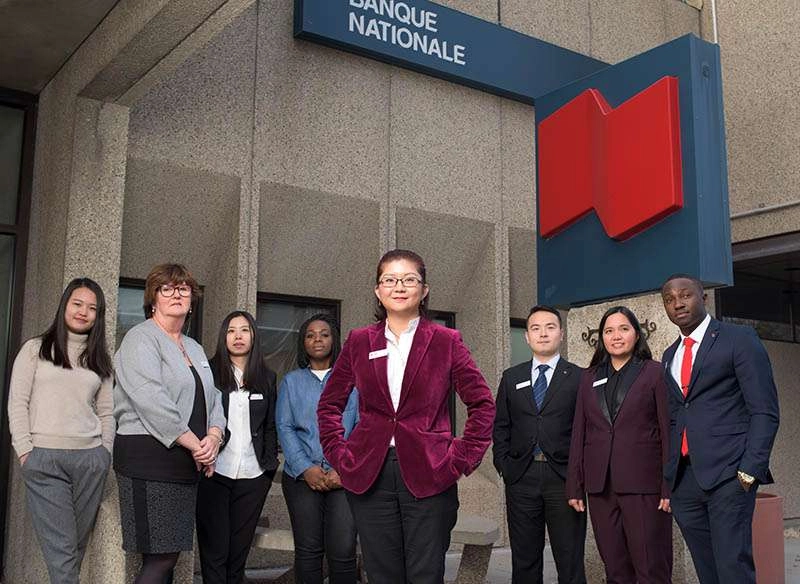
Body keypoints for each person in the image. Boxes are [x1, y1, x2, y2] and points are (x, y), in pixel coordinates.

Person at [317, 248, 496, 584]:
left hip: (431, 472)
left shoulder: (446, 341)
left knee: (426, 574)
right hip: (371, 471)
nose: (399, 286)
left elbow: (483, 403)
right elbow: (329, 406)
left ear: (423, 290)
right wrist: (341, 455)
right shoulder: (358, 341)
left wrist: (459, 459)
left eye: (409, 279)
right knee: (382, 573)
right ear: (378, 290)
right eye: (390, 279)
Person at [660, 274, 779, 584]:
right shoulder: (669, 355)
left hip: (729, 476)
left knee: (732, 569)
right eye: (670, 300)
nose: (678, 303)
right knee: (707, 570)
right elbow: (677, 415)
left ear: (704, 297)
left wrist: (750, 469)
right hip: (686, 481)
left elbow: (764, 410)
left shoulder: (738, 338)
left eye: (685, 295)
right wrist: (671, 475)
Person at [113, 263, 226, 584]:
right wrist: (196, 445)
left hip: (183, 463)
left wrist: (214, 437)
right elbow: (150, 398)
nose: (176, 294)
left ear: (192, 299)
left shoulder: (193, 347)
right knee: (161, 557)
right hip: (147, 460)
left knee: (168, 557)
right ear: (153, 299)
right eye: (167, 289)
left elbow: (214, 397)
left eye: (184, 289)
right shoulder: (140, 338)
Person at [8, 277, 114, 584]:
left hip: (90, 462)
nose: (83, 312)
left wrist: (104, 454)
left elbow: (108, 412)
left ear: (98, 315)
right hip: (44, 460)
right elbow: (18, 402)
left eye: (92, 308)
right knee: (64, 554)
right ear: (64, 305)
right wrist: (26, 450)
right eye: (77, 304)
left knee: (72, 551)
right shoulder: (35, 349)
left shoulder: (99, 359)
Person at [566, 306, 672, 584]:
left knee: (651, 567)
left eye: (623, 329)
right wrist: (574, 485)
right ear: (602, 337)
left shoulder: (655, 373)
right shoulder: (589, 377)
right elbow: (580, 433)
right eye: (608, 331)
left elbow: (668, 431)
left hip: (644, 486)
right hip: (600, 487)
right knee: (614, 567)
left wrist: (669, 486)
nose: (616, 336)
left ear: (636, 335)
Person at [492, 305, 586, 584]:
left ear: (561, 334)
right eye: (535, 328)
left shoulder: (579, 377)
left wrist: (579, 475)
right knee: (524, 558)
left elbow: (587, 430)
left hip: (564, 479)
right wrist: (504, 466)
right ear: (527, 337)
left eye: (550, 327)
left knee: (569, 557)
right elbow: (501, 426)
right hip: (521, 476)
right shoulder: (512, 377)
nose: (543, 333)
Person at [196, 310, 278, 584]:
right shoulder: (209, 373)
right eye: (231, 331)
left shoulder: (267, 377)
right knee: (215, 552)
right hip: (214, 472)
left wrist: (268, 468)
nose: (238, 336)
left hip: (253, 476)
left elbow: (269, 426)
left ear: (253, 336)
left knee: (238, 554)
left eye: (244, 330)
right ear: (223, 337)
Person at [277, 313, 359, 584]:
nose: (318, 340)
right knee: (309, 552)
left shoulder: (354, 380)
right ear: (303, 343)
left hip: (345, 478)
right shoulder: (291, 382)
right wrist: (306, 468)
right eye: (310, 335)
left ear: (334, 340)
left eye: (324, 334)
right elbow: (285, 428)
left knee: (343, 551)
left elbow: (363, 428)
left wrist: (342, 468)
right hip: (302, 478)